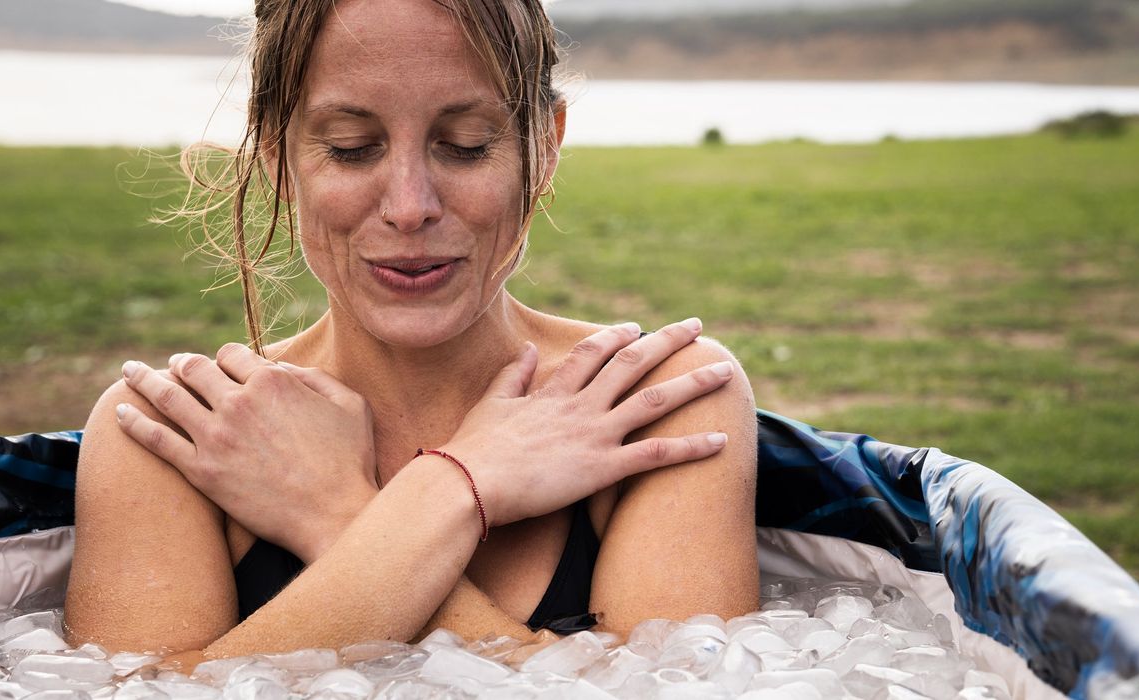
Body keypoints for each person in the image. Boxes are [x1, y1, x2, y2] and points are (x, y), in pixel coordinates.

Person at [63, 0, 759, 661]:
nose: (408, 206)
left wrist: (338, 514)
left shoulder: (657, 401)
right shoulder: (171, 436)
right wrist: (464, 486)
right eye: (351, 148)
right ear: (276, 154)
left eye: (464, 145)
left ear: (543, 148)